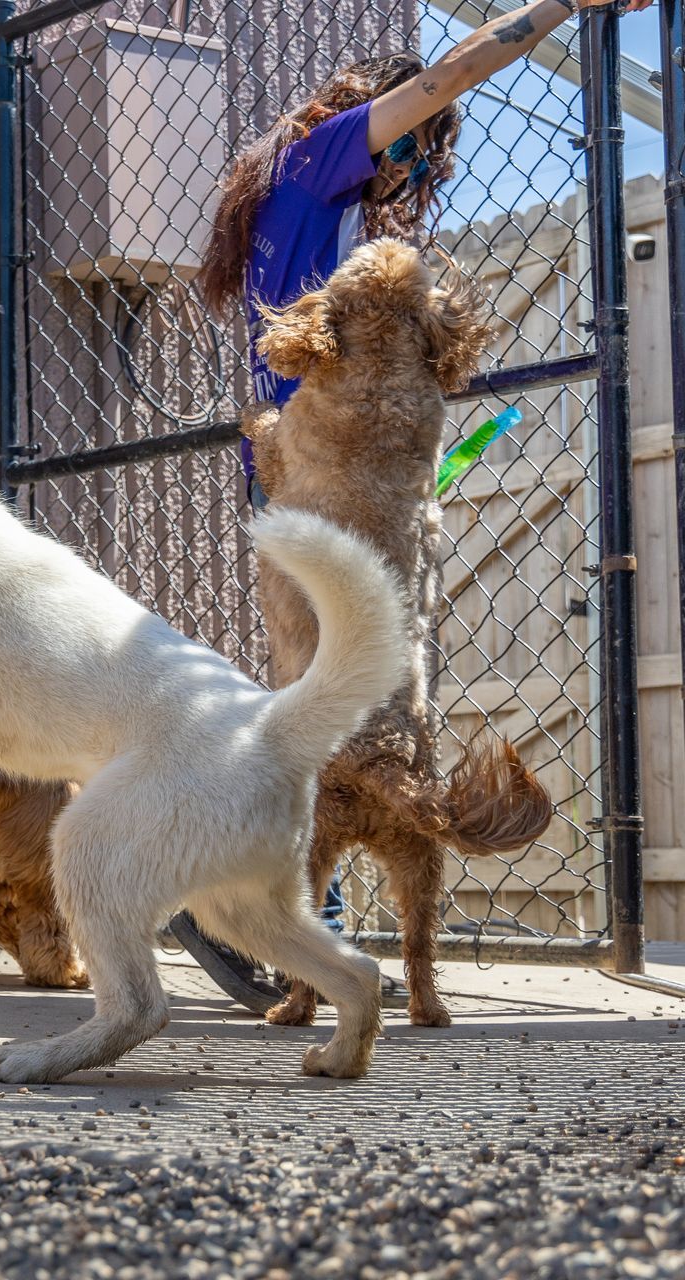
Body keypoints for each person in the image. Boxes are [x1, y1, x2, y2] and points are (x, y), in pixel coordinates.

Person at [173, 0, 652, 1014]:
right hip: (318, 456)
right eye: (426, 154)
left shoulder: (336, 212)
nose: (427, 176)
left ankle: (288, 913)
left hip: (322, 459)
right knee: (330, 682)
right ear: (384, 124)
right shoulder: (321, 157)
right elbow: (442, 79)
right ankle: (278, 913)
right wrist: (566, 6)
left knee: (334, 681)